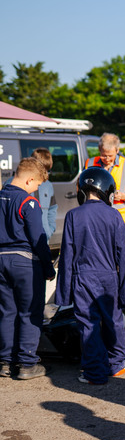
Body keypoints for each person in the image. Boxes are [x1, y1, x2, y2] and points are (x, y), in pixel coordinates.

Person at [56, 168, 125, 384]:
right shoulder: (115, 215)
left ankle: (94, 373)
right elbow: (123, 256)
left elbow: (67, 256)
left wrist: (64, 293)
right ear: (106, 189)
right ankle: (118, 364)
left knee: (88, 324)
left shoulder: (73, 215)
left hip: (83, 278)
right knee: (114, 320)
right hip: (109, 276)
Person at [0, 158, 56, 380]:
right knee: (30, 312)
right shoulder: (28, 203)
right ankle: (27, 363)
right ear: (29, 179)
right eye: (37, 185)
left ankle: (5, 362)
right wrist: (48, 267)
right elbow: (38, 239)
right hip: (24, 263)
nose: (36, 190)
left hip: (1, 261)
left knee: (6, 311)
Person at [84, 133, 125, 228]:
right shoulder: (90, 163)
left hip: (119, 220)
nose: (107, 159)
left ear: (117, 150)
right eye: (104, 155)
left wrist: (123, 196)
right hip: (94, 219)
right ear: (99, 149)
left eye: (110, 156)